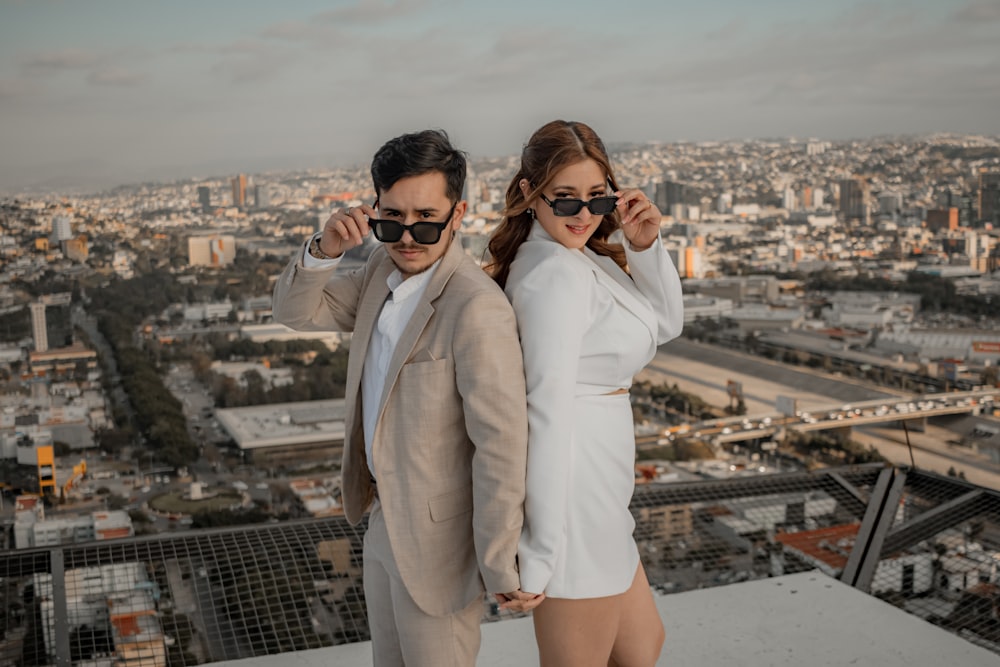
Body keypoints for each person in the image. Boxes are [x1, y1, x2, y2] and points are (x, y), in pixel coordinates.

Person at [273, 129, 541, 667]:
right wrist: (325, 249)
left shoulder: (475, 308)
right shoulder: (378, 271)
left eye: (426, 218)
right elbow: (294, 311)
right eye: (391, 219)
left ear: (458, 213)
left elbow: (501, 447)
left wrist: (500, 564)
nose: (408, 235)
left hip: (440, 548)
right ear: (373, 210)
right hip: (381, 525)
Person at [487, 119, 684, 667]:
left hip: (600, 491)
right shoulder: (555, 275)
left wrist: (645, 246)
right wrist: (540, 554)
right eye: (565, 198)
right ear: (529, 194)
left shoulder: (579, 257)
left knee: (642, 647)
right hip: (574, 499)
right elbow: (544, 413)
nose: (582, 215)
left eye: (597, 198)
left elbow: (663, 324)